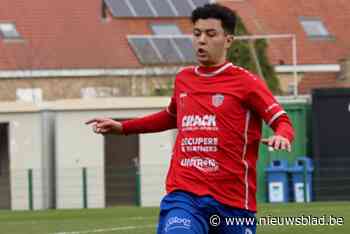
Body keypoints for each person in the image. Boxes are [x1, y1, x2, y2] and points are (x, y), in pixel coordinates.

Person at [86, 3, 294, 234]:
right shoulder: (184, 79)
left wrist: (282, 135)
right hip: (185, 195)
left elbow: (281, 120)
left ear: (228, 40)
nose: (201, 40)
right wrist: (123, 127)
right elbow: (170, 117)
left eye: (210, 34)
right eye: (197, 34)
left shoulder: (246, 83)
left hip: (234, 203)